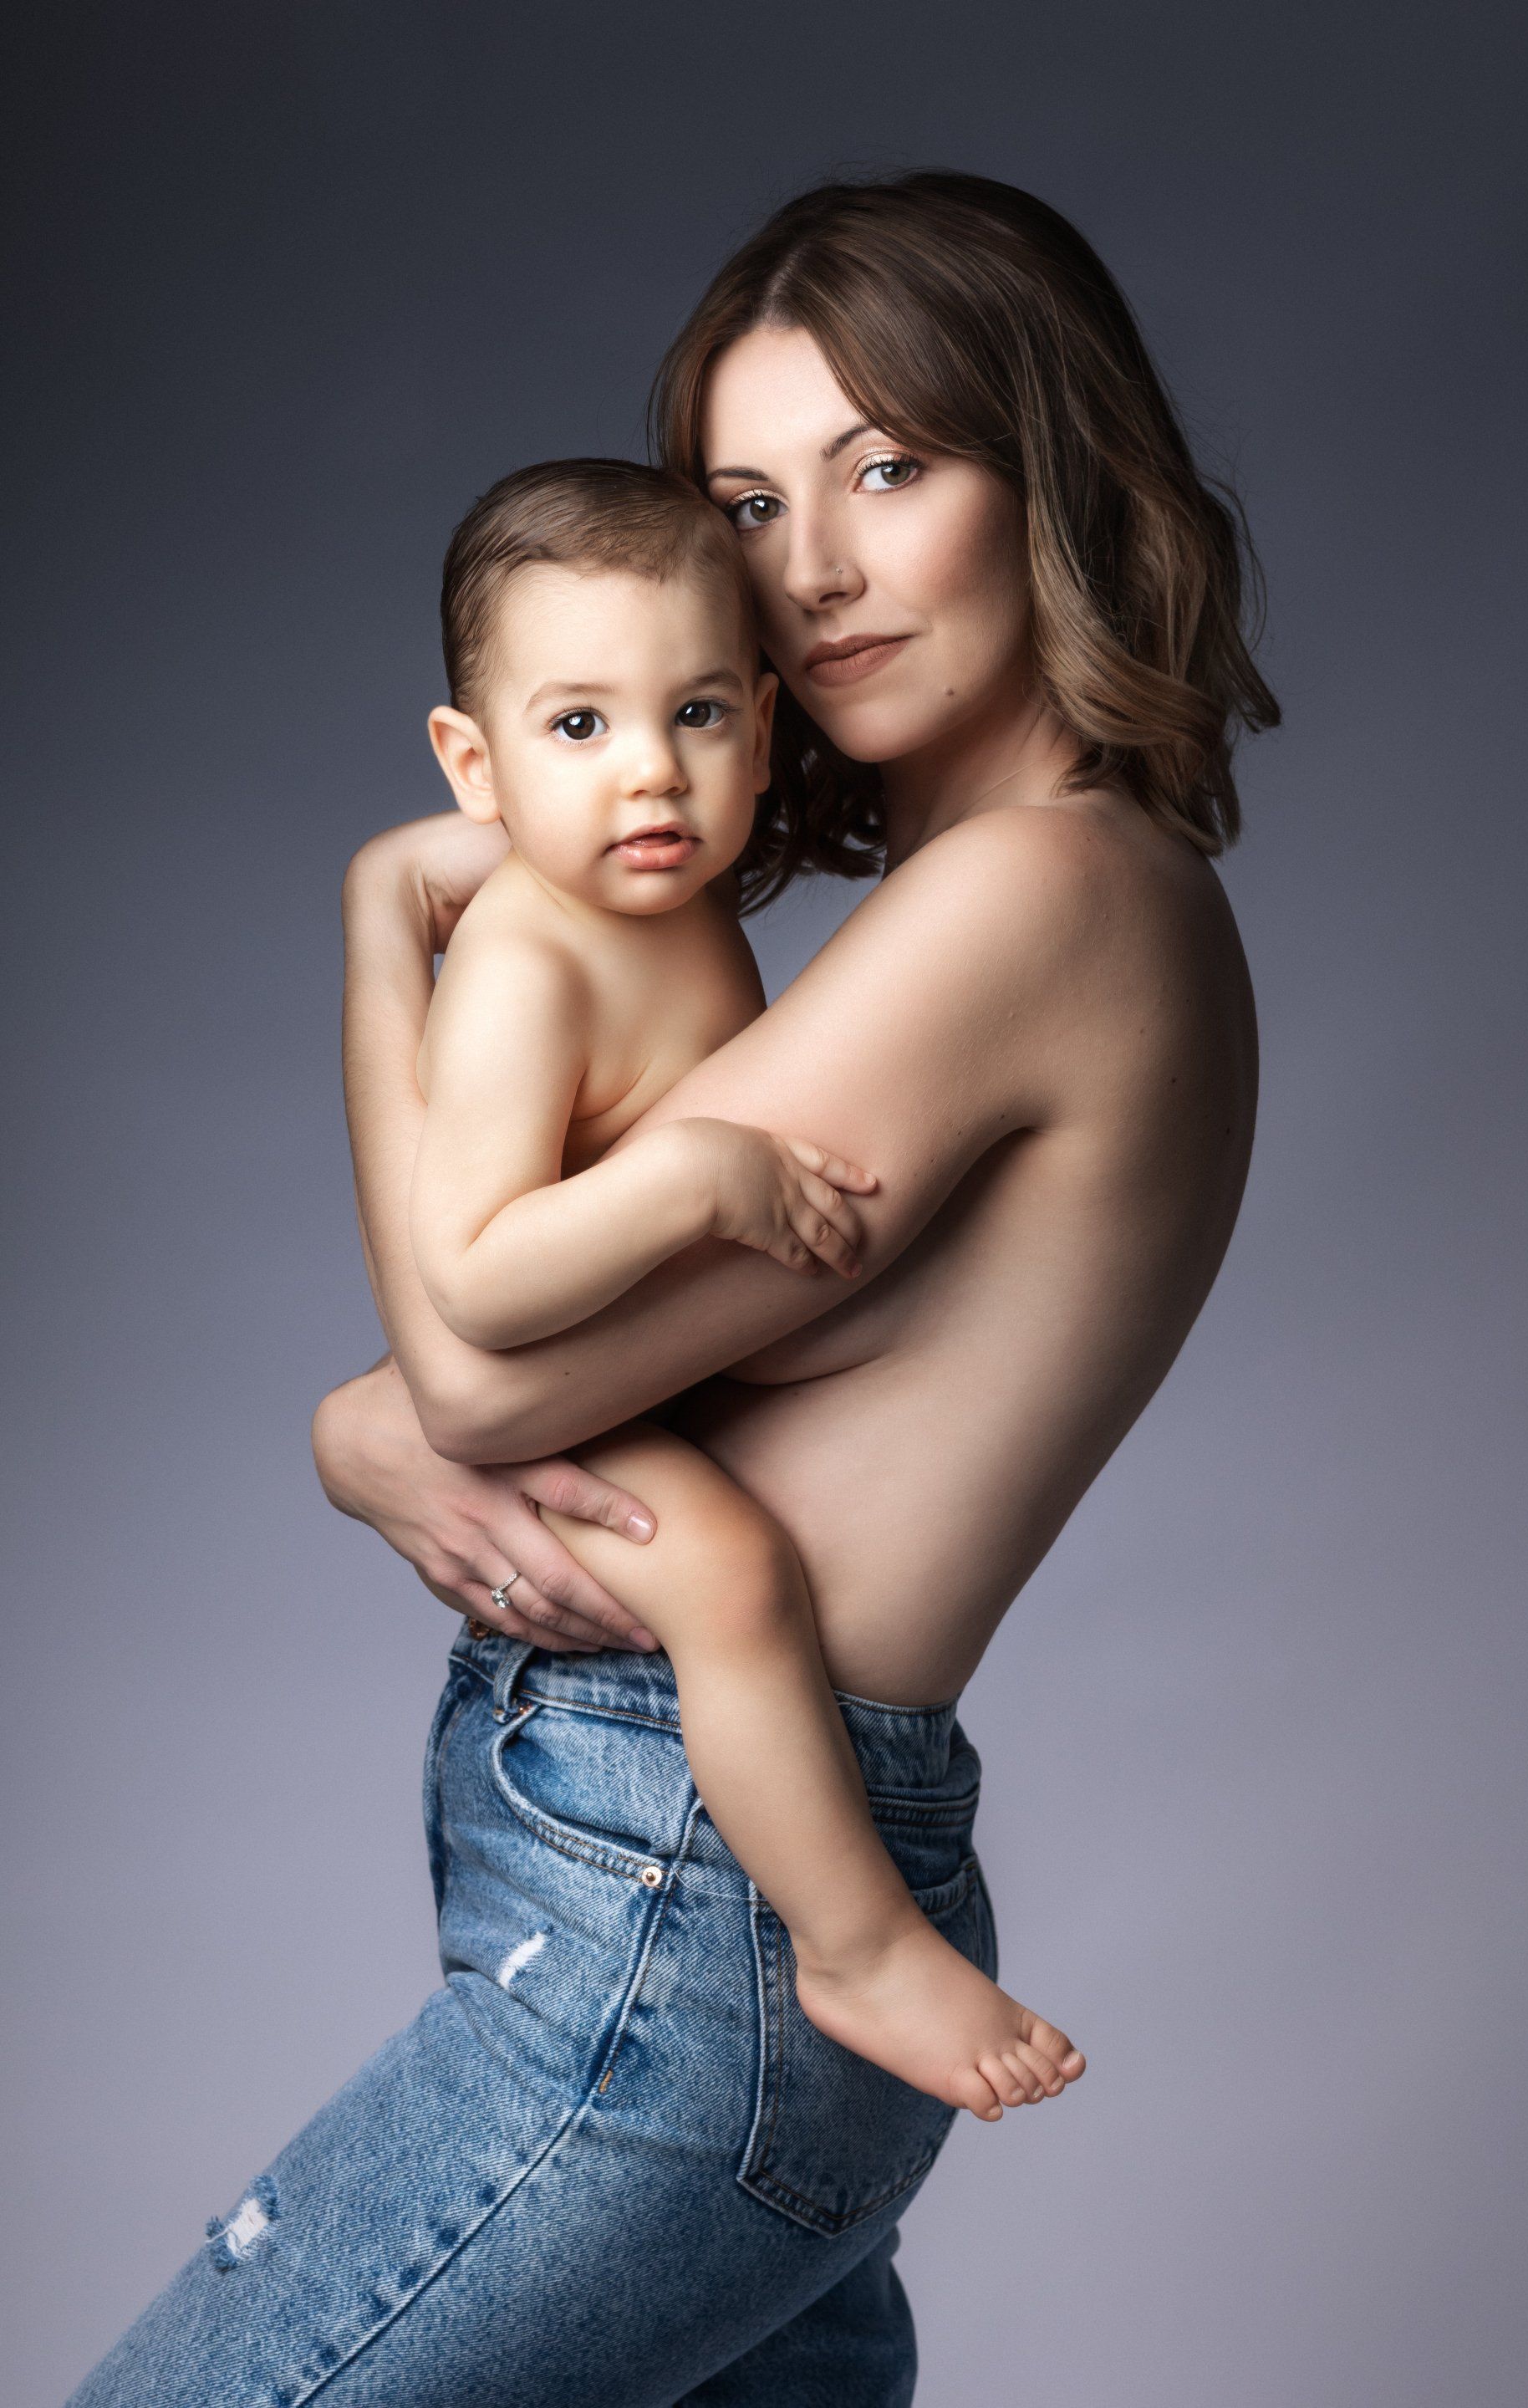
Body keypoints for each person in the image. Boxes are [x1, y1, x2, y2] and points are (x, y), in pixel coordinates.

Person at [69, 169, 1275, 2407]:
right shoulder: (1061, 895)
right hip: (716, 1901)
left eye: (887, 470)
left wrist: (378, 942)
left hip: (692, 1914)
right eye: (748, 500)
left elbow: (470, 1371)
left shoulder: (1033, 899)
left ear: (1058, 477)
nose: (808, 569)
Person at [408, 452, 1078, 2116]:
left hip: (640, 1385)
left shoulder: (677, 908)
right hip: (581, 1419)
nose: (651, 772)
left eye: (698, 715)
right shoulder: (526, 957)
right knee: (727, 1569)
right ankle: (853, 1943)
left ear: (766, 732)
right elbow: (473, 1279)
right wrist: (693, 1180)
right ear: (474, 765)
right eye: (580, 727)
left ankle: (856, 1935)